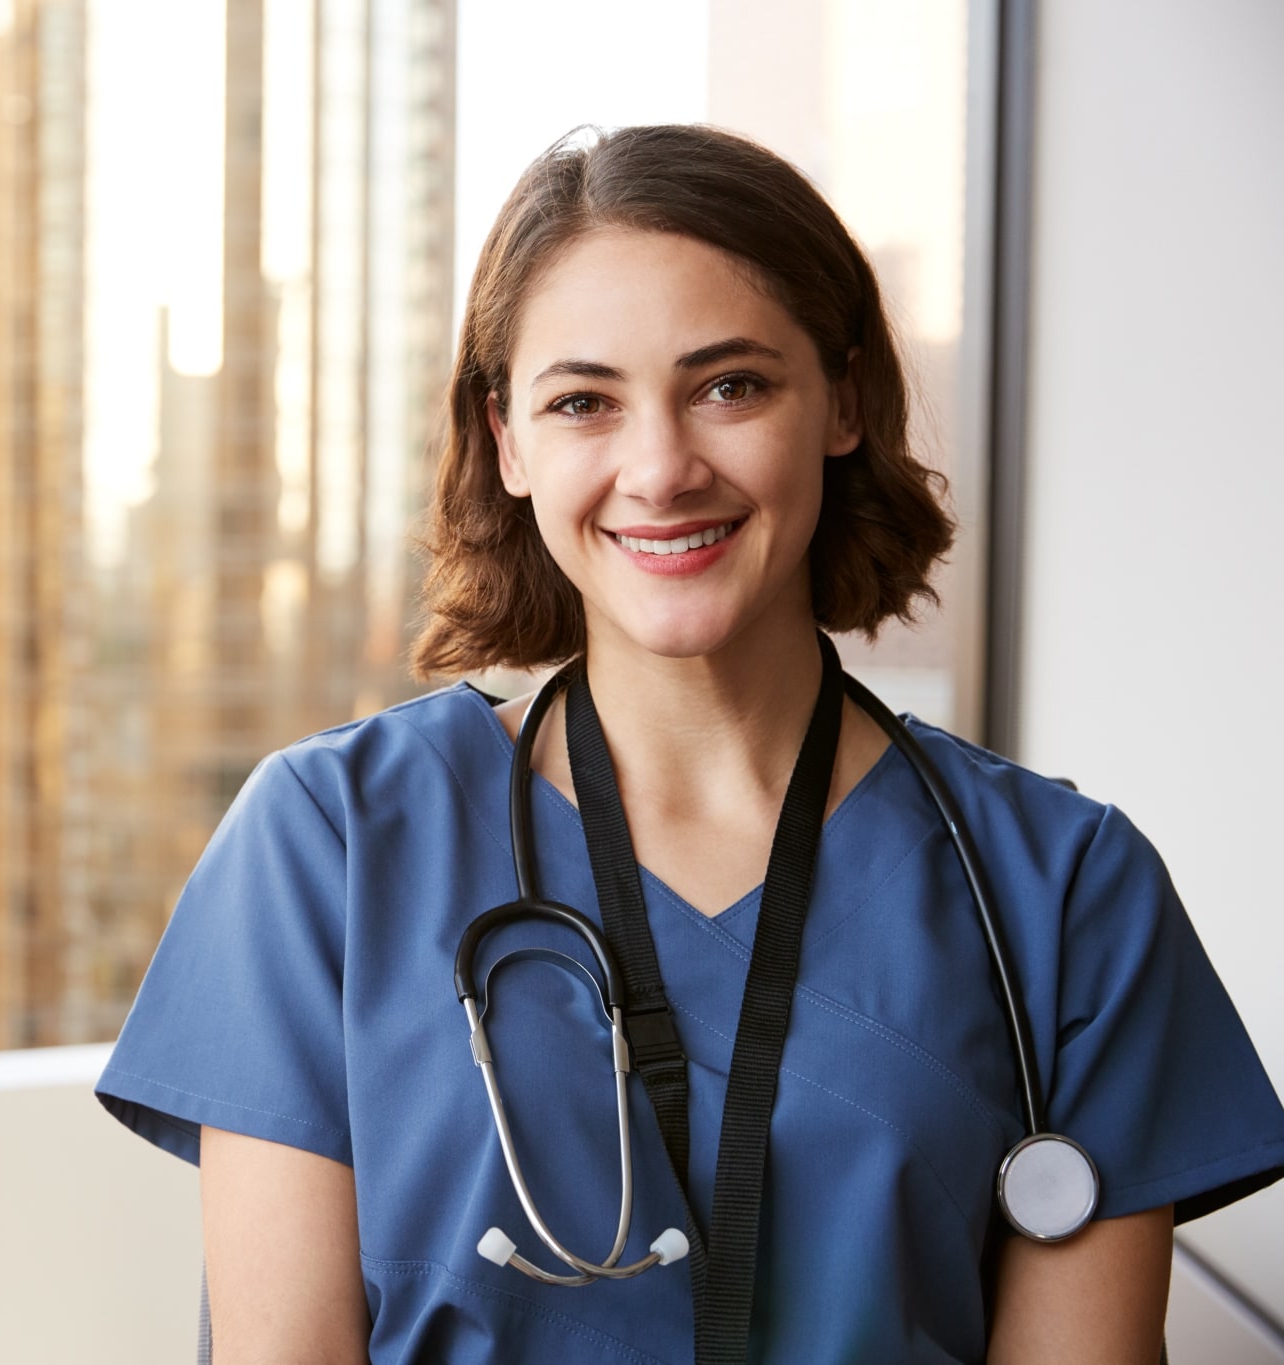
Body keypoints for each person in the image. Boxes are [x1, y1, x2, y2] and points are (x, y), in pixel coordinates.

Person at [95, 124, 1284, 1363]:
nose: (659, 468)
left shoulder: (1065, 893)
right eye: (582, 402)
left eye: (730, 385)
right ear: (507, 443)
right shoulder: (328, 844)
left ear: (844, 400)